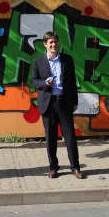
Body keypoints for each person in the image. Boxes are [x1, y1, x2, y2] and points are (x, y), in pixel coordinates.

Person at [32, 31, 83, 179]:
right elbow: (34, 81)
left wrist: (75, 101)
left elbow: (73, 82)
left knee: (70, 137)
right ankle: (53, 167)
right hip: (48, 104)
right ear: (45, 44)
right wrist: (44, 83)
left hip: (64, 103)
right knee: (51, 138)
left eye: (55, 42)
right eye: (50, 43)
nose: (53, 45)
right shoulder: (38, 61)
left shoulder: (67, 60)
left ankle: (75, 167)